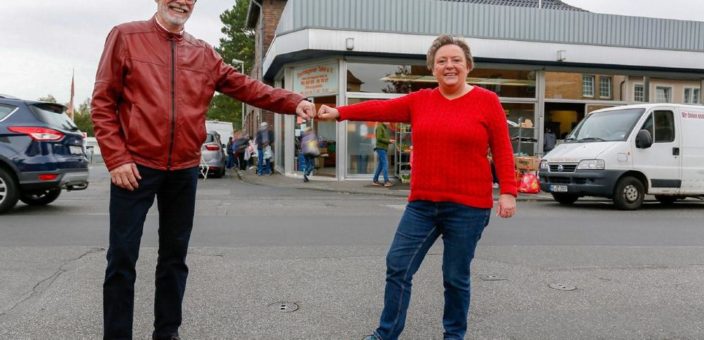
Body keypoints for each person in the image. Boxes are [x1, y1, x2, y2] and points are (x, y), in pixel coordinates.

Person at [90, 1, 315, 339]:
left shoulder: (203, 54)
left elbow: (248, 87)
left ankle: (167, 333)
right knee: (122, 260)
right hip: (134, 166)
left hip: (183, 170)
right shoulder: (126, 37)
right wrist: (117, 157)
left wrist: (292, 101)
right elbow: (103, 102)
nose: (182, 1)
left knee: (174, 259)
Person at [318, 34, 517, 340]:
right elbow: (379, 109)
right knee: (398, 265)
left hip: (469, 207)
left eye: (456, 60)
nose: (449, 66)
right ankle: (387, 334)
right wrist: (341, 112)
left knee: (455, 278)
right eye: (442, 61)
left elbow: (502, 149)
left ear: (468, 66)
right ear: (433, 68)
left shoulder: (486, 102)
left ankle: (454, 336)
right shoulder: (420, 101)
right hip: (422, 205)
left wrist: (508, 192)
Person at [372, 122, 393, 187]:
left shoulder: (385, 128)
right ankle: (386, 181)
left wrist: (389, 140)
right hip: (380, 148)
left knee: (381, 165)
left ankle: (375, 180)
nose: (389, 122)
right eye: (388, 120)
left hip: (383, 148)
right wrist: (388, 141)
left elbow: (384, 138)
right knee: (385, 163)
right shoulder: (379, 127)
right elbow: (379, 138)